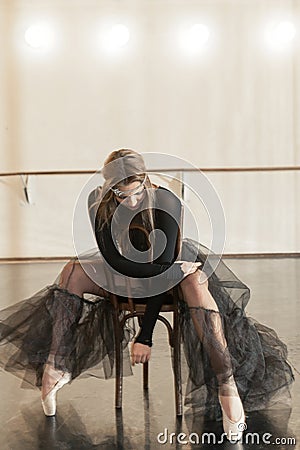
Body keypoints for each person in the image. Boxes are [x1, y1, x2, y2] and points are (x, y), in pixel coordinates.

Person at [0, 149, 294, 442]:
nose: (131, 201)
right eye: (121, 194)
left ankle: (226, 385)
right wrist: (162, 273)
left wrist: (145, 334)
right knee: (73, 271)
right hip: (128, 278)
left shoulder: (165, 200)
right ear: (110, 188)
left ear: (146, 182)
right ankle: (57, 364)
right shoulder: (98, 202)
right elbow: (113, 259)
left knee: (194, 280)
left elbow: (161, 275)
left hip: (164, 282)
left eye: (137, 193)